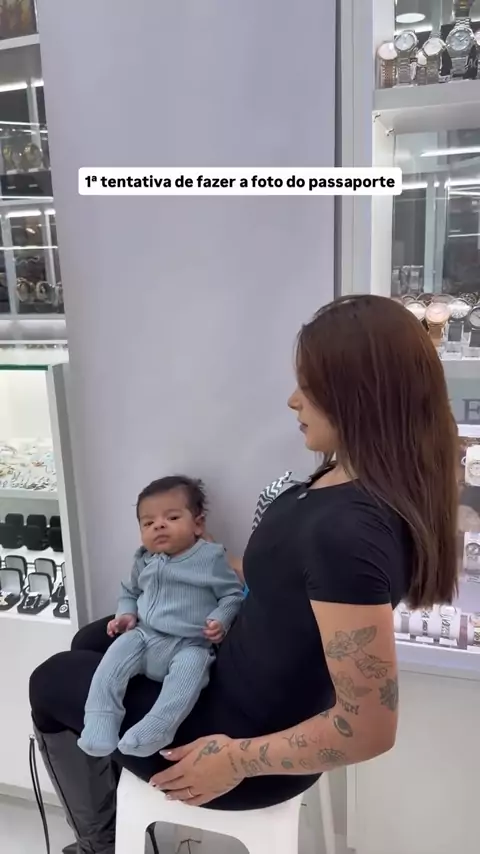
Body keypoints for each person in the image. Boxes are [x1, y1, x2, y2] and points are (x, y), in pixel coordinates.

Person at [29, 295, 459, 854]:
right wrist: (201, 566)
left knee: (52, 680)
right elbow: (288, 587)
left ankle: (100, 843)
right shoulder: (348, 478)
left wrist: (234, 760)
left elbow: (370, 726)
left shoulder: (348, 533)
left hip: (239, 737)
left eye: (310, 387)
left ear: (360, 396)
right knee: (95, 638)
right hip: (239, 674)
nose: (293, 400)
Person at [78, 476, 244, 758]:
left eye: (172, 517)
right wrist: (125, 615)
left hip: (189, 643)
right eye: (148, 523)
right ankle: (100, 720)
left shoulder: (209, 558)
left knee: (189, 676)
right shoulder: (143, 559)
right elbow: (129, 591)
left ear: (198, 524)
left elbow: (232, 594)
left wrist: (221, 619)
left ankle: (157, 728)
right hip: (145, 636)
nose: (159, 525)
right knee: (111, 662)